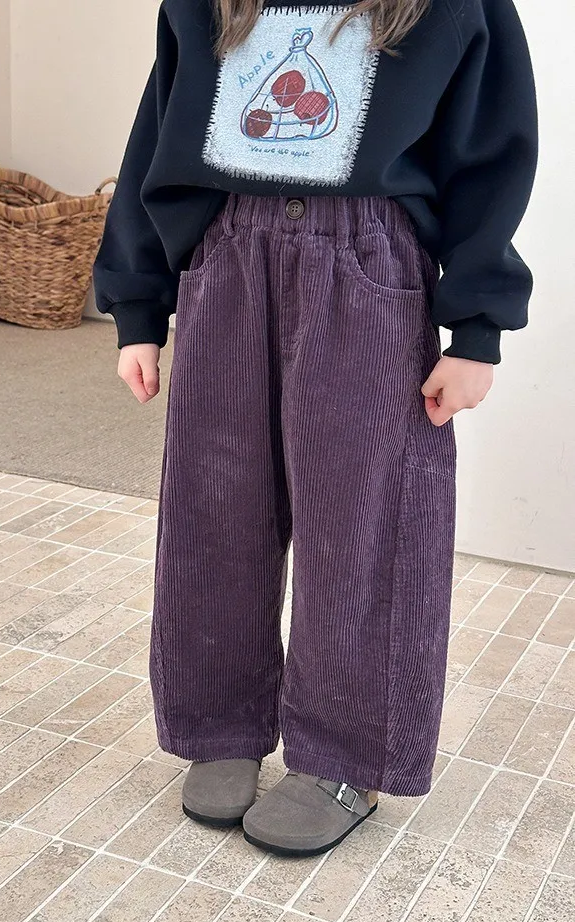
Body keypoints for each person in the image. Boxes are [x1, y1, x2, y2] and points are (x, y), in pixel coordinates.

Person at [93, 0, 537, 858]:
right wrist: (138, 304)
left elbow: (492, 147)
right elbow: (156, 135)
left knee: (361, 521)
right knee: (214, 511)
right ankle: (221, 725)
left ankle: (343, 756)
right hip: (227, 254)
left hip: (370, 261)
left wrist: (477, 328)